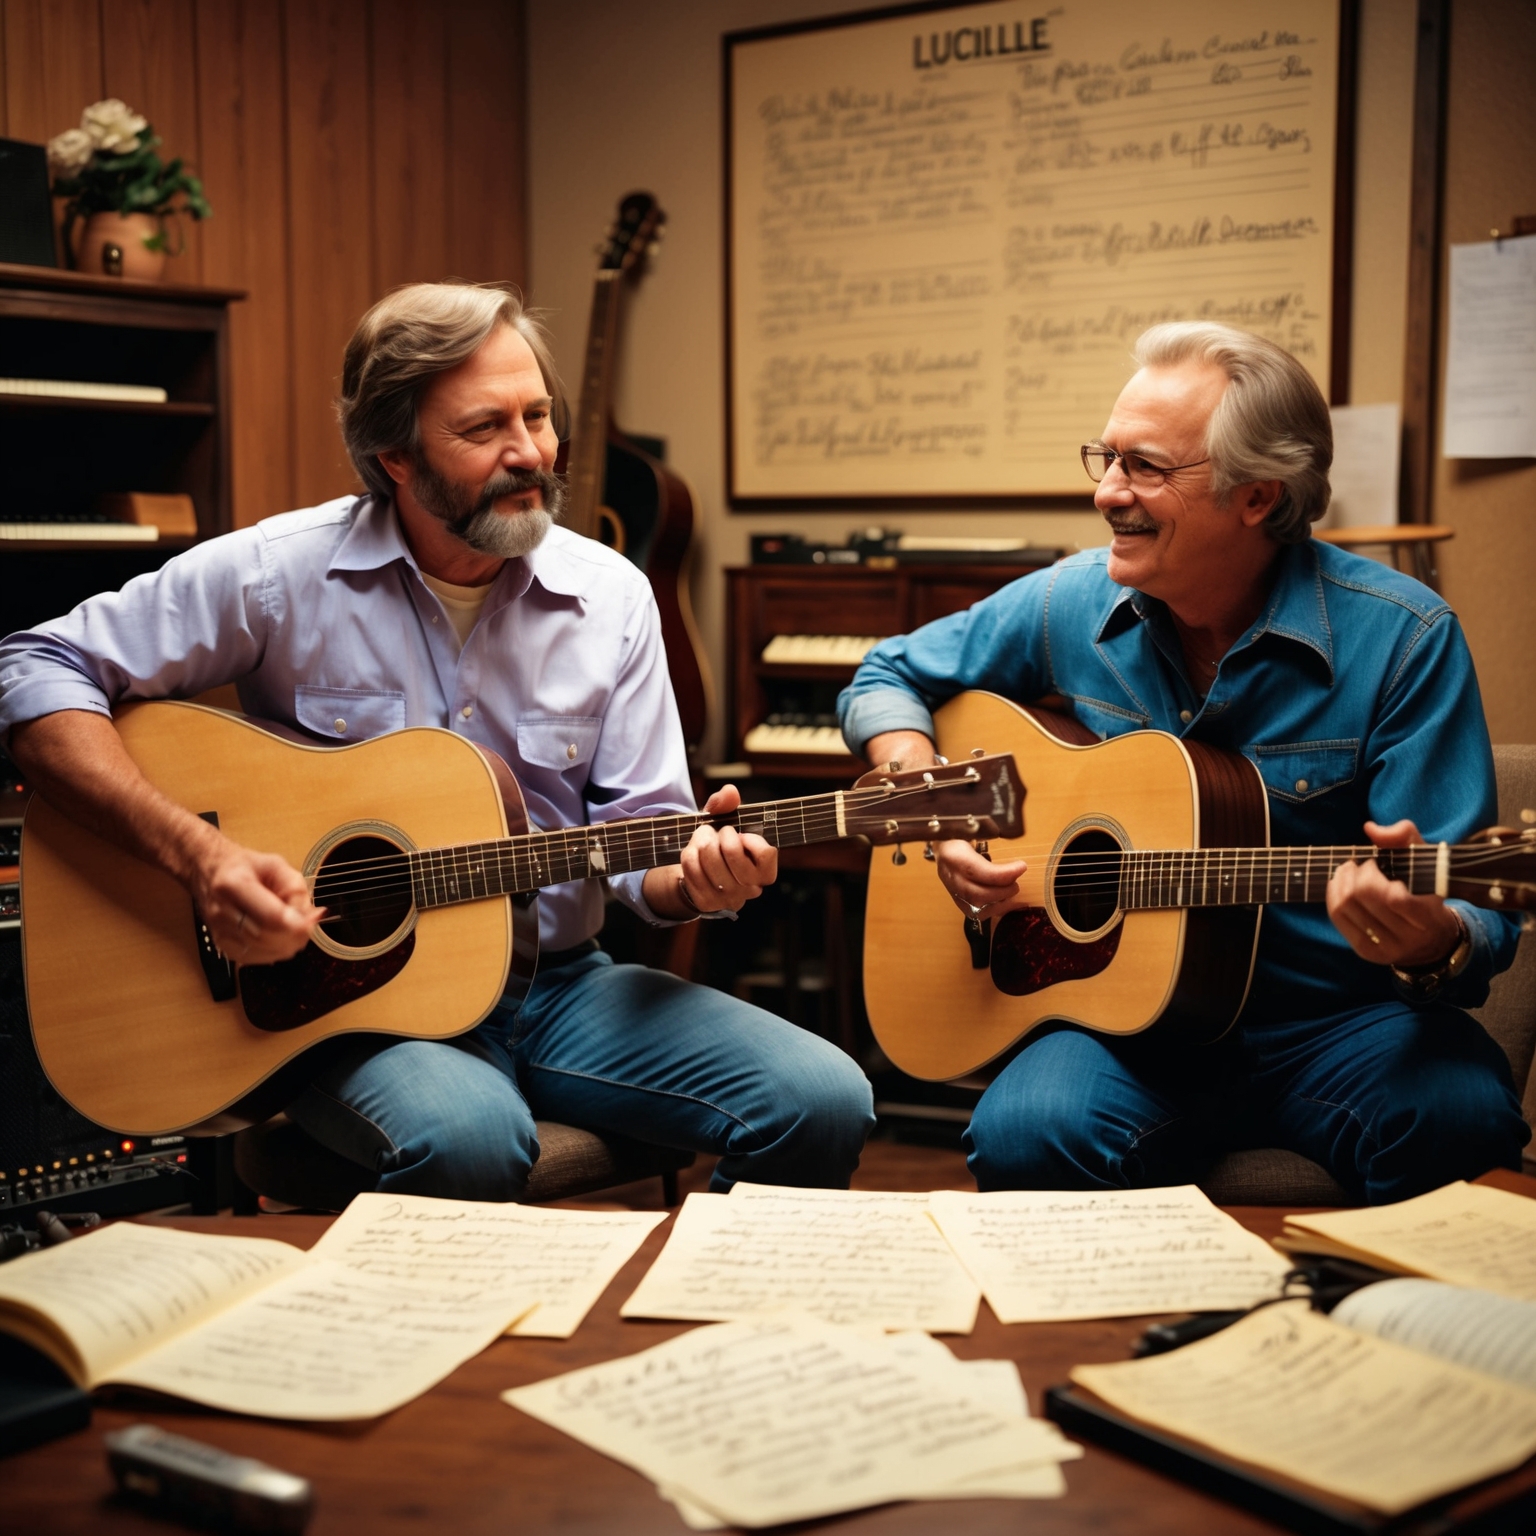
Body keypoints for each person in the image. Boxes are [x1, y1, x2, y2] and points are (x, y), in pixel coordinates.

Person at [0, 281, 873, 1198]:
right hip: (345, 998)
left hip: (560, 985)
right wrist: (200, 858)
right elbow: (31, 671)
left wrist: (697, 879)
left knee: (822, 1099)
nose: (530, 451)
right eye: (483, 428)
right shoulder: (279, 574)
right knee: (472, 1138)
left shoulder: (613, 597)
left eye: (538, 415)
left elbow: (645, 837)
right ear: (396, 457)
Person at [840, 321, 1528, 1205]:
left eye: (1146, 467)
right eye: (1107, 458)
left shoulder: (1402, 638)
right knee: (1026, 1133)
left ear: (1256, 495)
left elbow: (1472, 922)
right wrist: (933, 804)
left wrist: (1432, 938)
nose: (1107, 495)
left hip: (1340, 1025)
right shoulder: (1069, 601)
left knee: (1459, 1117)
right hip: (1130, 1030)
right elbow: (887, 671)